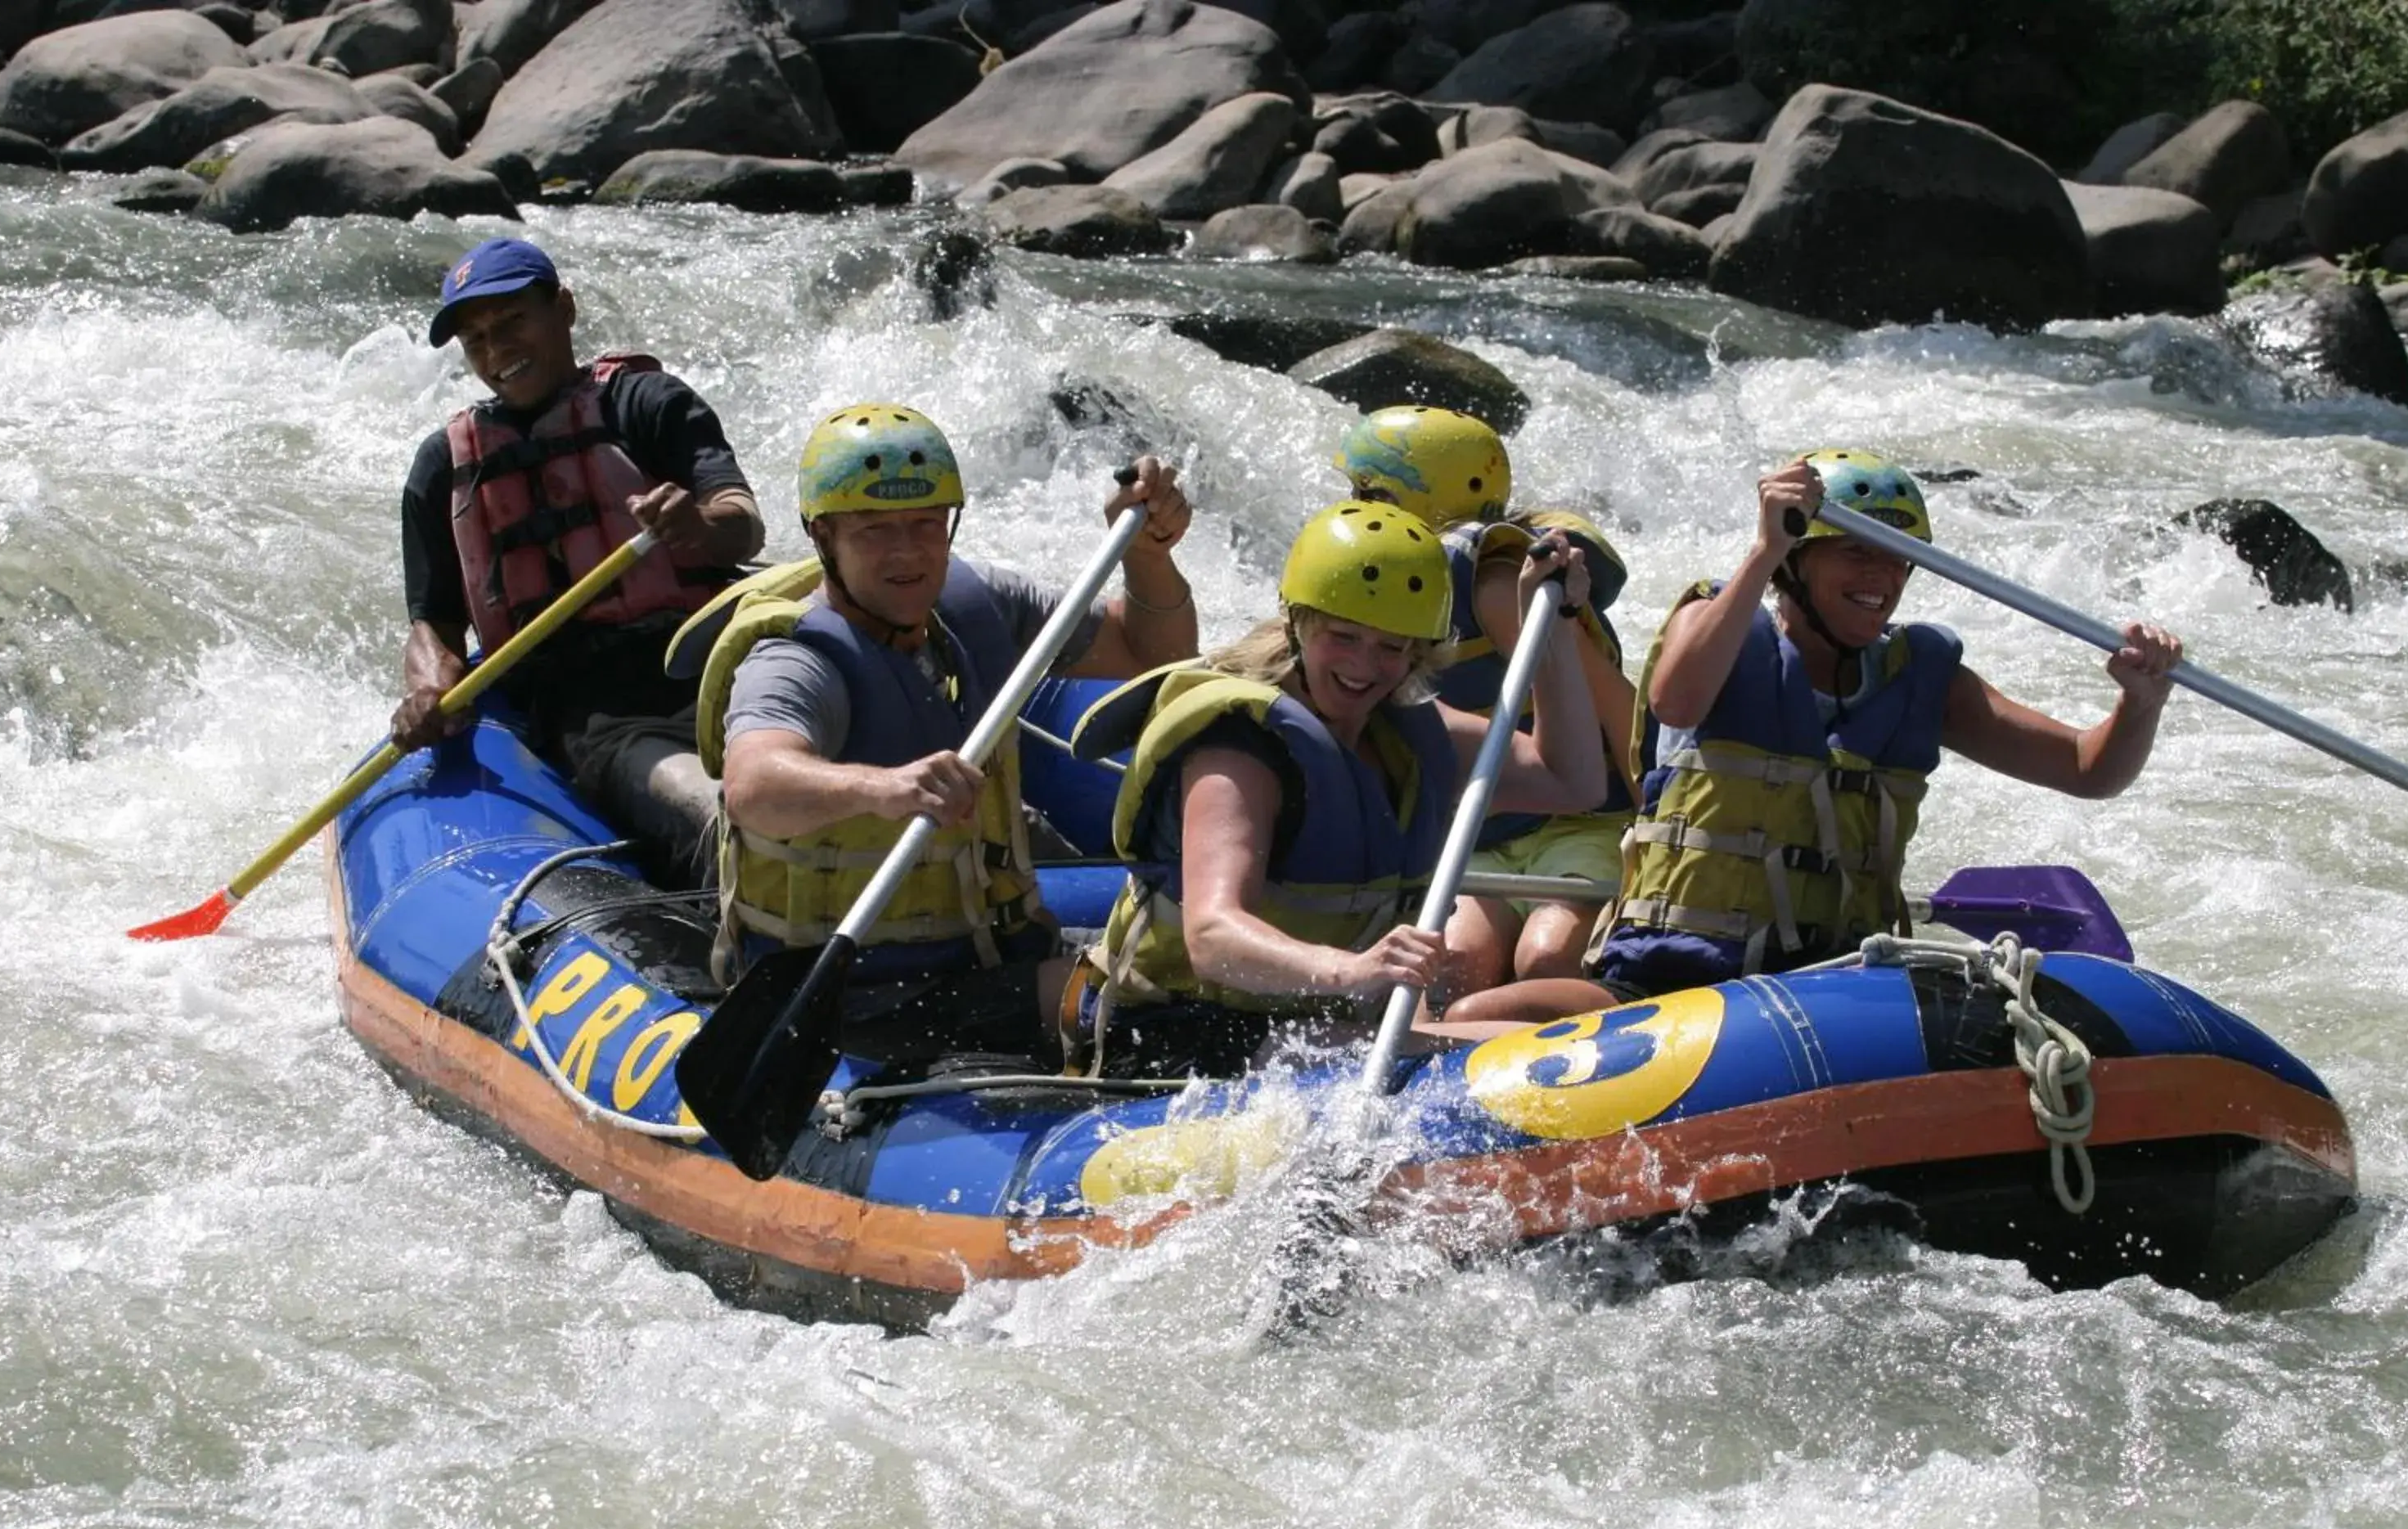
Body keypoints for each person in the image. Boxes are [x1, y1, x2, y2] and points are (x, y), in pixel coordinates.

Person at [1449, 450, 2183, 1023]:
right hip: (1665, 985)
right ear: (1799, 562)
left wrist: (2141, 702)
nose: (1883, 576)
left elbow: (2088, 770)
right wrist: (1764, 548)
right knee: (1481, 1016)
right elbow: (1676, 700)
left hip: (1838, 983)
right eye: (1858, 552)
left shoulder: (1923, 676)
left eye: (1899, 557)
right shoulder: (1721, 628)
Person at [695, 402, 1198, 1066]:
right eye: (874, 531)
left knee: (1200, 966)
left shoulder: (974, 602)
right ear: (823, 537)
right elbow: (754, 785)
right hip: (864, 999)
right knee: (1157, 1015)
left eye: (927, 524)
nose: (908, 552)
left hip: (987, 953)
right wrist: (884, 788)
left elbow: (1148, 649)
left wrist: (1147, 556)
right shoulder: (797, 659)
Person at [1065, 498, 1608, 1079]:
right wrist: (1353, 970)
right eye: (1343, 637)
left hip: (1305, 1026)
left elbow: (1570, 780)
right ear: (1300, 623)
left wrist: (1548, 627)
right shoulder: (1239, 751)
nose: (1364, 666)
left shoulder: (1405, 733)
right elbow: (1212, 937)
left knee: (1537, 1048)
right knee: (1490, 1060)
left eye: (1391, 648)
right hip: (1179, 1032)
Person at [391, 236, 764, 884]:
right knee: (721, 816)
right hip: (594, 712)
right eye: (477, 340)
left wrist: (696, 529)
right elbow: (435, 623)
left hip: (718, 668)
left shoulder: (645, 403)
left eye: (513, 322)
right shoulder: (443, 467)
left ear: (564, 309)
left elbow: (743, 525)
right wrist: (429, 687)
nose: (497, 350)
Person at [1335, 405, 1644, 988]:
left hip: (1575, 826)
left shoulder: (1495, 586)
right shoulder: (1386, 588)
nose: (1353, 509)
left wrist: (1656, 816)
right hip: (1484, 833)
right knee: (1454, 969)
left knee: (1546, 959)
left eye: (1370, 493)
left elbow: (1608, 701)